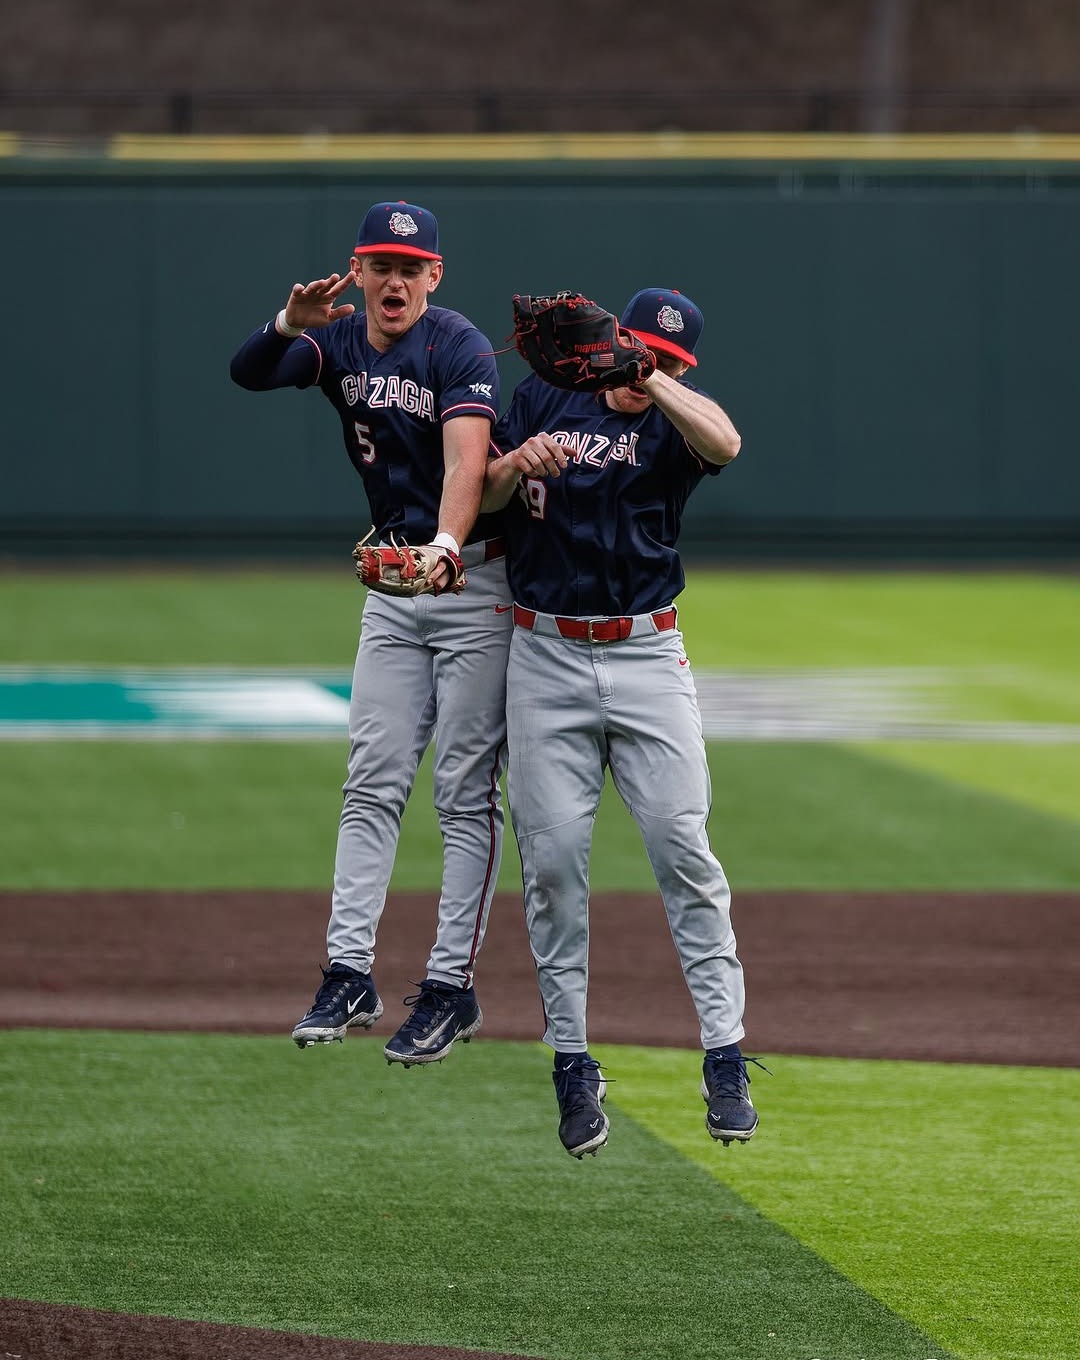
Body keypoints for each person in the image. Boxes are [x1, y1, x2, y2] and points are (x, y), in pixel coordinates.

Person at [230, 200, 511, 1067]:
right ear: (357, 270)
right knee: (371, 778)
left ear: (435, 275)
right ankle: (348, 971)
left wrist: (446, 546)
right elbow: (248, 372)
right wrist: (287, 322)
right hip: (391, 586)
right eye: (379, 264)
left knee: (464, 794)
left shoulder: (456, 345)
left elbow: (469, 458)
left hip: (475, 581)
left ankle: (449, 989)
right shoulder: (339, 339)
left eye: (409, 266)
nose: (393, 280)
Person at [484, 287, 762, 1157]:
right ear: (602, 340)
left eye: (669, 362)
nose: (644, 371)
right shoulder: (542, 396)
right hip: (544, 655)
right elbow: (485, 493)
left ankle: (725, 1055)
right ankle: (572, 1064)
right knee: (554, 870)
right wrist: (515, 463)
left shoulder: (679, 422)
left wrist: (656, 376)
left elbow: (727, 441)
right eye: (635, 351)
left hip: (647, 656)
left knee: (685, 849)